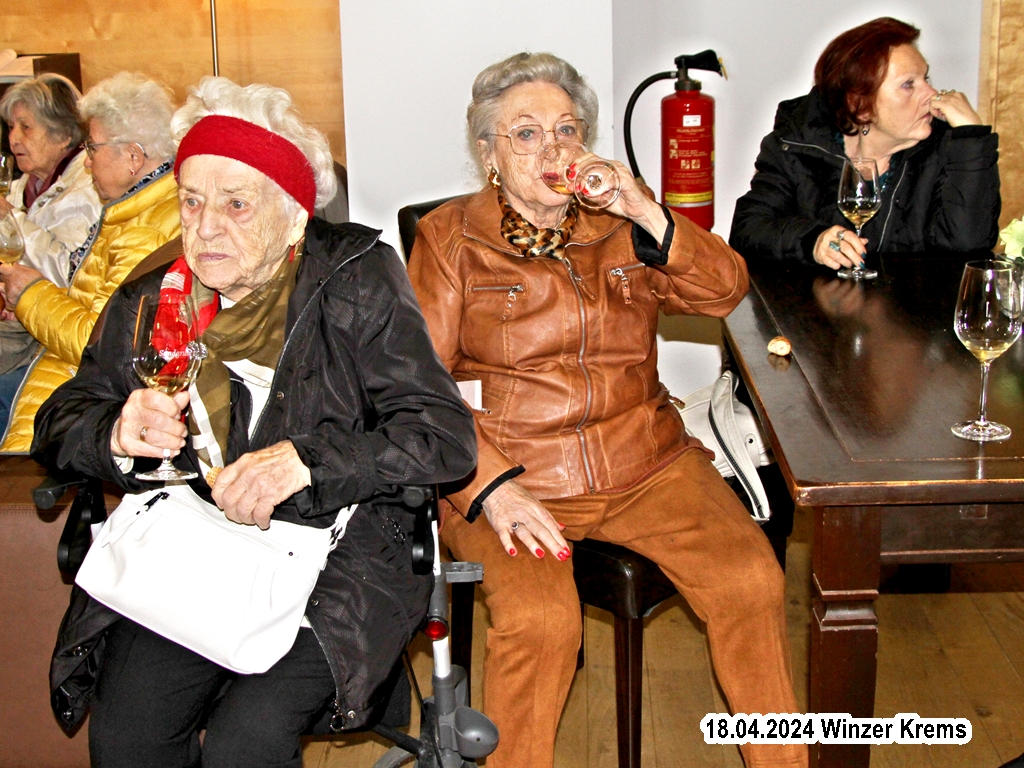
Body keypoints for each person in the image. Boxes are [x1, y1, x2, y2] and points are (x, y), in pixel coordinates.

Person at [32, 76, 476, 768]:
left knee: (248, 741)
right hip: (198, 547)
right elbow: (61, 418)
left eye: (236, 204)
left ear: (294, 218)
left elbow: (440, 435)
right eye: (191, 201)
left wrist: (307, 462)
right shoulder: (158, 297)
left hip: (341, 552)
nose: (206, 227)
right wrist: (116, 431)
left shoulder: (355, 279)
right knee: (127, 735)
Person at [406, 52, 805, 768]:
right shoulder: (449, 239)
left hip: (644, 461)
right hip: (515, 475)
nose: (552, 149)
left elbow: (723, 292)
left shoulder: (621, 221)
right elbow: (419, 388)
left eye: (566, 129)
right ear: (489, 153)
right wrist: (491, 488)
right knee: (541, 621)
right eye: (526, 134)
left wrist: (645, 209)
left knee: (752, 580)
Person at [729, 17, 1000, 269]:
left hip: (912, 304)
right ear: (860, 106)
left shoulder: (952, 150)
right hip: (816, 304)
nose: (931, 94)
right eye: (909, 84)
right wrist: (813, 240)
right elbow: (748, 229)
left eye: (926, 78)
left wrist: (972, 137)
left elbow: (968, 248)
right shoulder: (798, 146)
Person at [0, 72, 180, 451]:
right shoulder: (135, 212)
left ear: (133, 157)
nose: (85, 163)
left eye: (93, 149)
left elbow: (98, 346)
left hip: (80, 414)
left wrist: (30, 294)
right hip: (72, 397)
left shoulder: (144, 232)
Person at [0, 73, 102, 417]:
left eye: (26, 127)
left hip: (54, 337)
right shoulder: (23, 185)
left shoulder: (87, 189)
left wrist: (11, 219)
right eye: (11, 127)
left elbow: (68, 273)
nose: (14, 138)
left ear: (62, 134)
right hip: (21, 324)